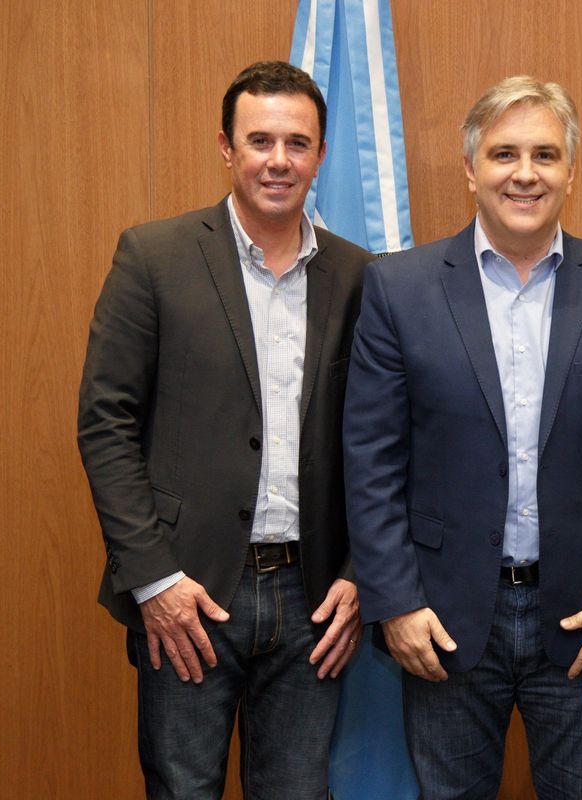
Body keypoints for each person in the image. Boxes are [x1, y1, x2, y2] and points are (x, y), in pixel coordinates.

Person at [343, 76, 582, 799]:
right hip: (443, 618)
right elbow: (370, 460)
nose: (525, 173)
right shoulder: (398, 288)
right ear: (470, 169)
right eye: (504, 154)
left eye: (544, 155)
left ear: (570, 172)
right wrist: (395, 602)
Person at [77, 61, 369, 799]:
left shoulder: (362, 276)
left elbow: (381, 440)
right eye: (260, 140)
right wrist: (154, 580)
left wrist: (360, 571)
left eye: (297, 143)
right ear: (225, 148)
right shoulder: (154, 257)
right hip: (189, 593)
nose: (279, 160)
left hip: (313, 600)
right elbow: (106, 424)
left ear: (321, 155)